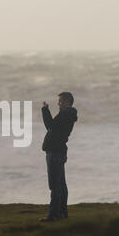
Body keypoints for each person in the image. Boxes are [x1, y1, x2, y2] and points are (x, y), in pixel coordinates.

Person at [40, 92, 78, 222]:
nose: (59, 103)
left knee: (55, 186)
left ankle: (54, 215)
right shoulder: (66, 115)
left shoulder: (66, 116)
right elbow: (51, 127)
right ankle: (62, 213)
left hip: (56, 153)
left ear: (67, 102)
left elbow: (50, 126)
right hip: (57, 152)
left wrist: (45, 110)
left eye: (61, 101)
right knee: (61, 185)